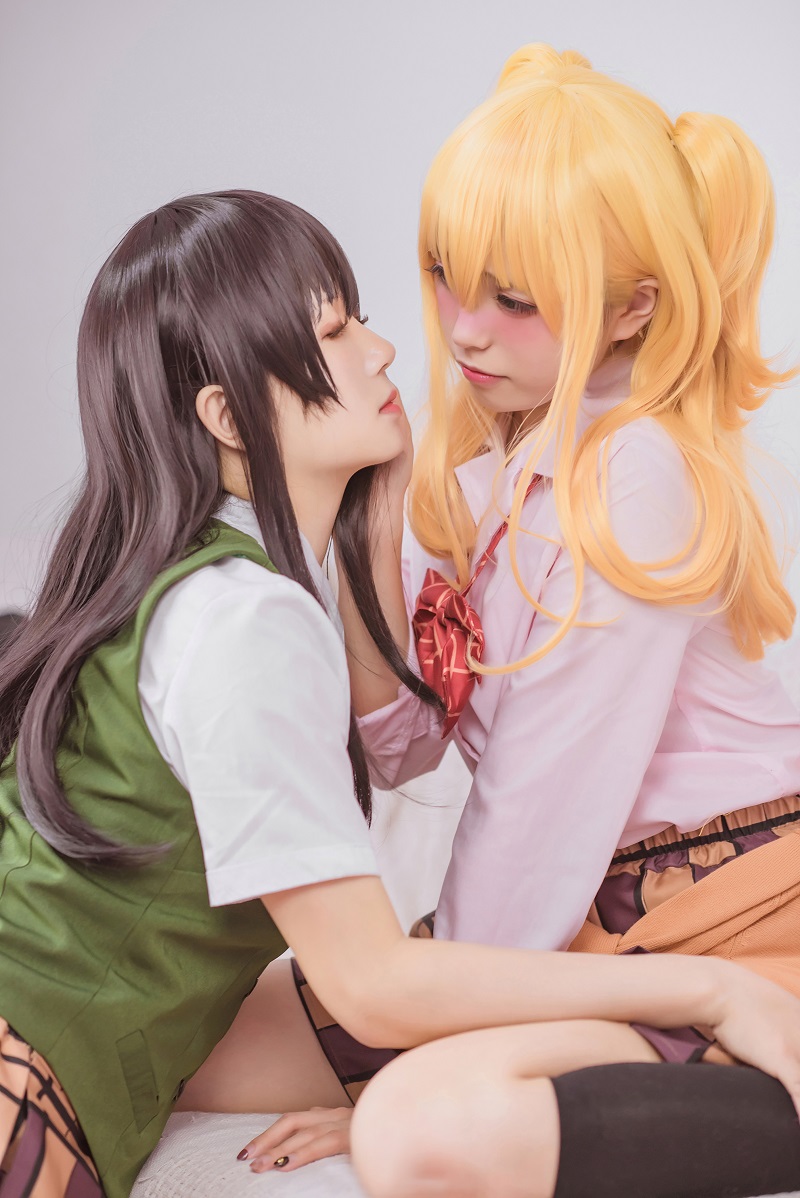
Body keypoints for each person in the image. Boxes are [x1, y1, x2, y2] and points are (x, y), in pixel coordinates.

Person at [1, 189, 799, 1198]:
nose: (392, 349)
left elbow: (498, 804)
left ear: (630, 310)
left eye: (362, 317)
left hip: (721, 897)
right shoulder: (249, 612)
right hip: (41, 1053)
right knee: (226, 1056)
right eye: (334, 332)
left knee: (380, 1104)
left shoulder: (611, 479)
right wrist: (372, 536)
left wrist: (365, 541)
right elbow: (407, 776)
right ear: (226, 417)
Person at [230, 44, 800, 1195]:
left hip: (736, 916)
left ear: (632, 307)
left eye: (516, 299)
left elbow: (540, 805)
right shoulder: (497, 465)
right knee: (202, 1047)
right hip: (592, 927)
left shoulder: (632, 475)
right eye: (448, 275)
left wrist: (422, 1038)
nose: (463, 330)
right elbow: (406, 746)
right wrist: (367, 527)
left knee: (419, 1127)